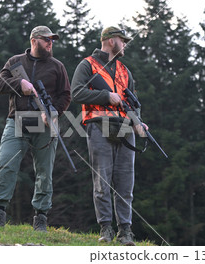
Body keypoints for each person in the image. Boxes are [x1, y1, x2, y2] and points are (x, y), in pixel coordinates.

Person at [0, 26, 71, 232]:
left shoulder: (57, 66)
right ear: (34, 41)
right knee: (5, 164)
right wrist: (20, 83)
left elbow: (66, 96)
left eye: (52, 40)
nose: (51, 43)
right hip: (16, 121)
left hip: (45, 124)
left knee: (44, 172)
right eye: (46, 40)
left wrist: (53, 112)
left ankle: (40, 218)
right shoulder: (14, 62)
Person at [71, 26, 146, 245]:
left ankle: (125, 231)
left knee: (125, 182)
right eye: (123, 41)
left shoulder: (125, 70)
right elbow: (77, 93)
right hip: (98, 123)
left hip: (124, 127)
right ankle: (106, 228)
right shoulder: (87, 65)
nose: (125, 45)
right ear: (112, 41)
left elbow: (133, 103)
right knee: (102, 180)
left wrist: (138, 122)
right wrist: (106, 96)